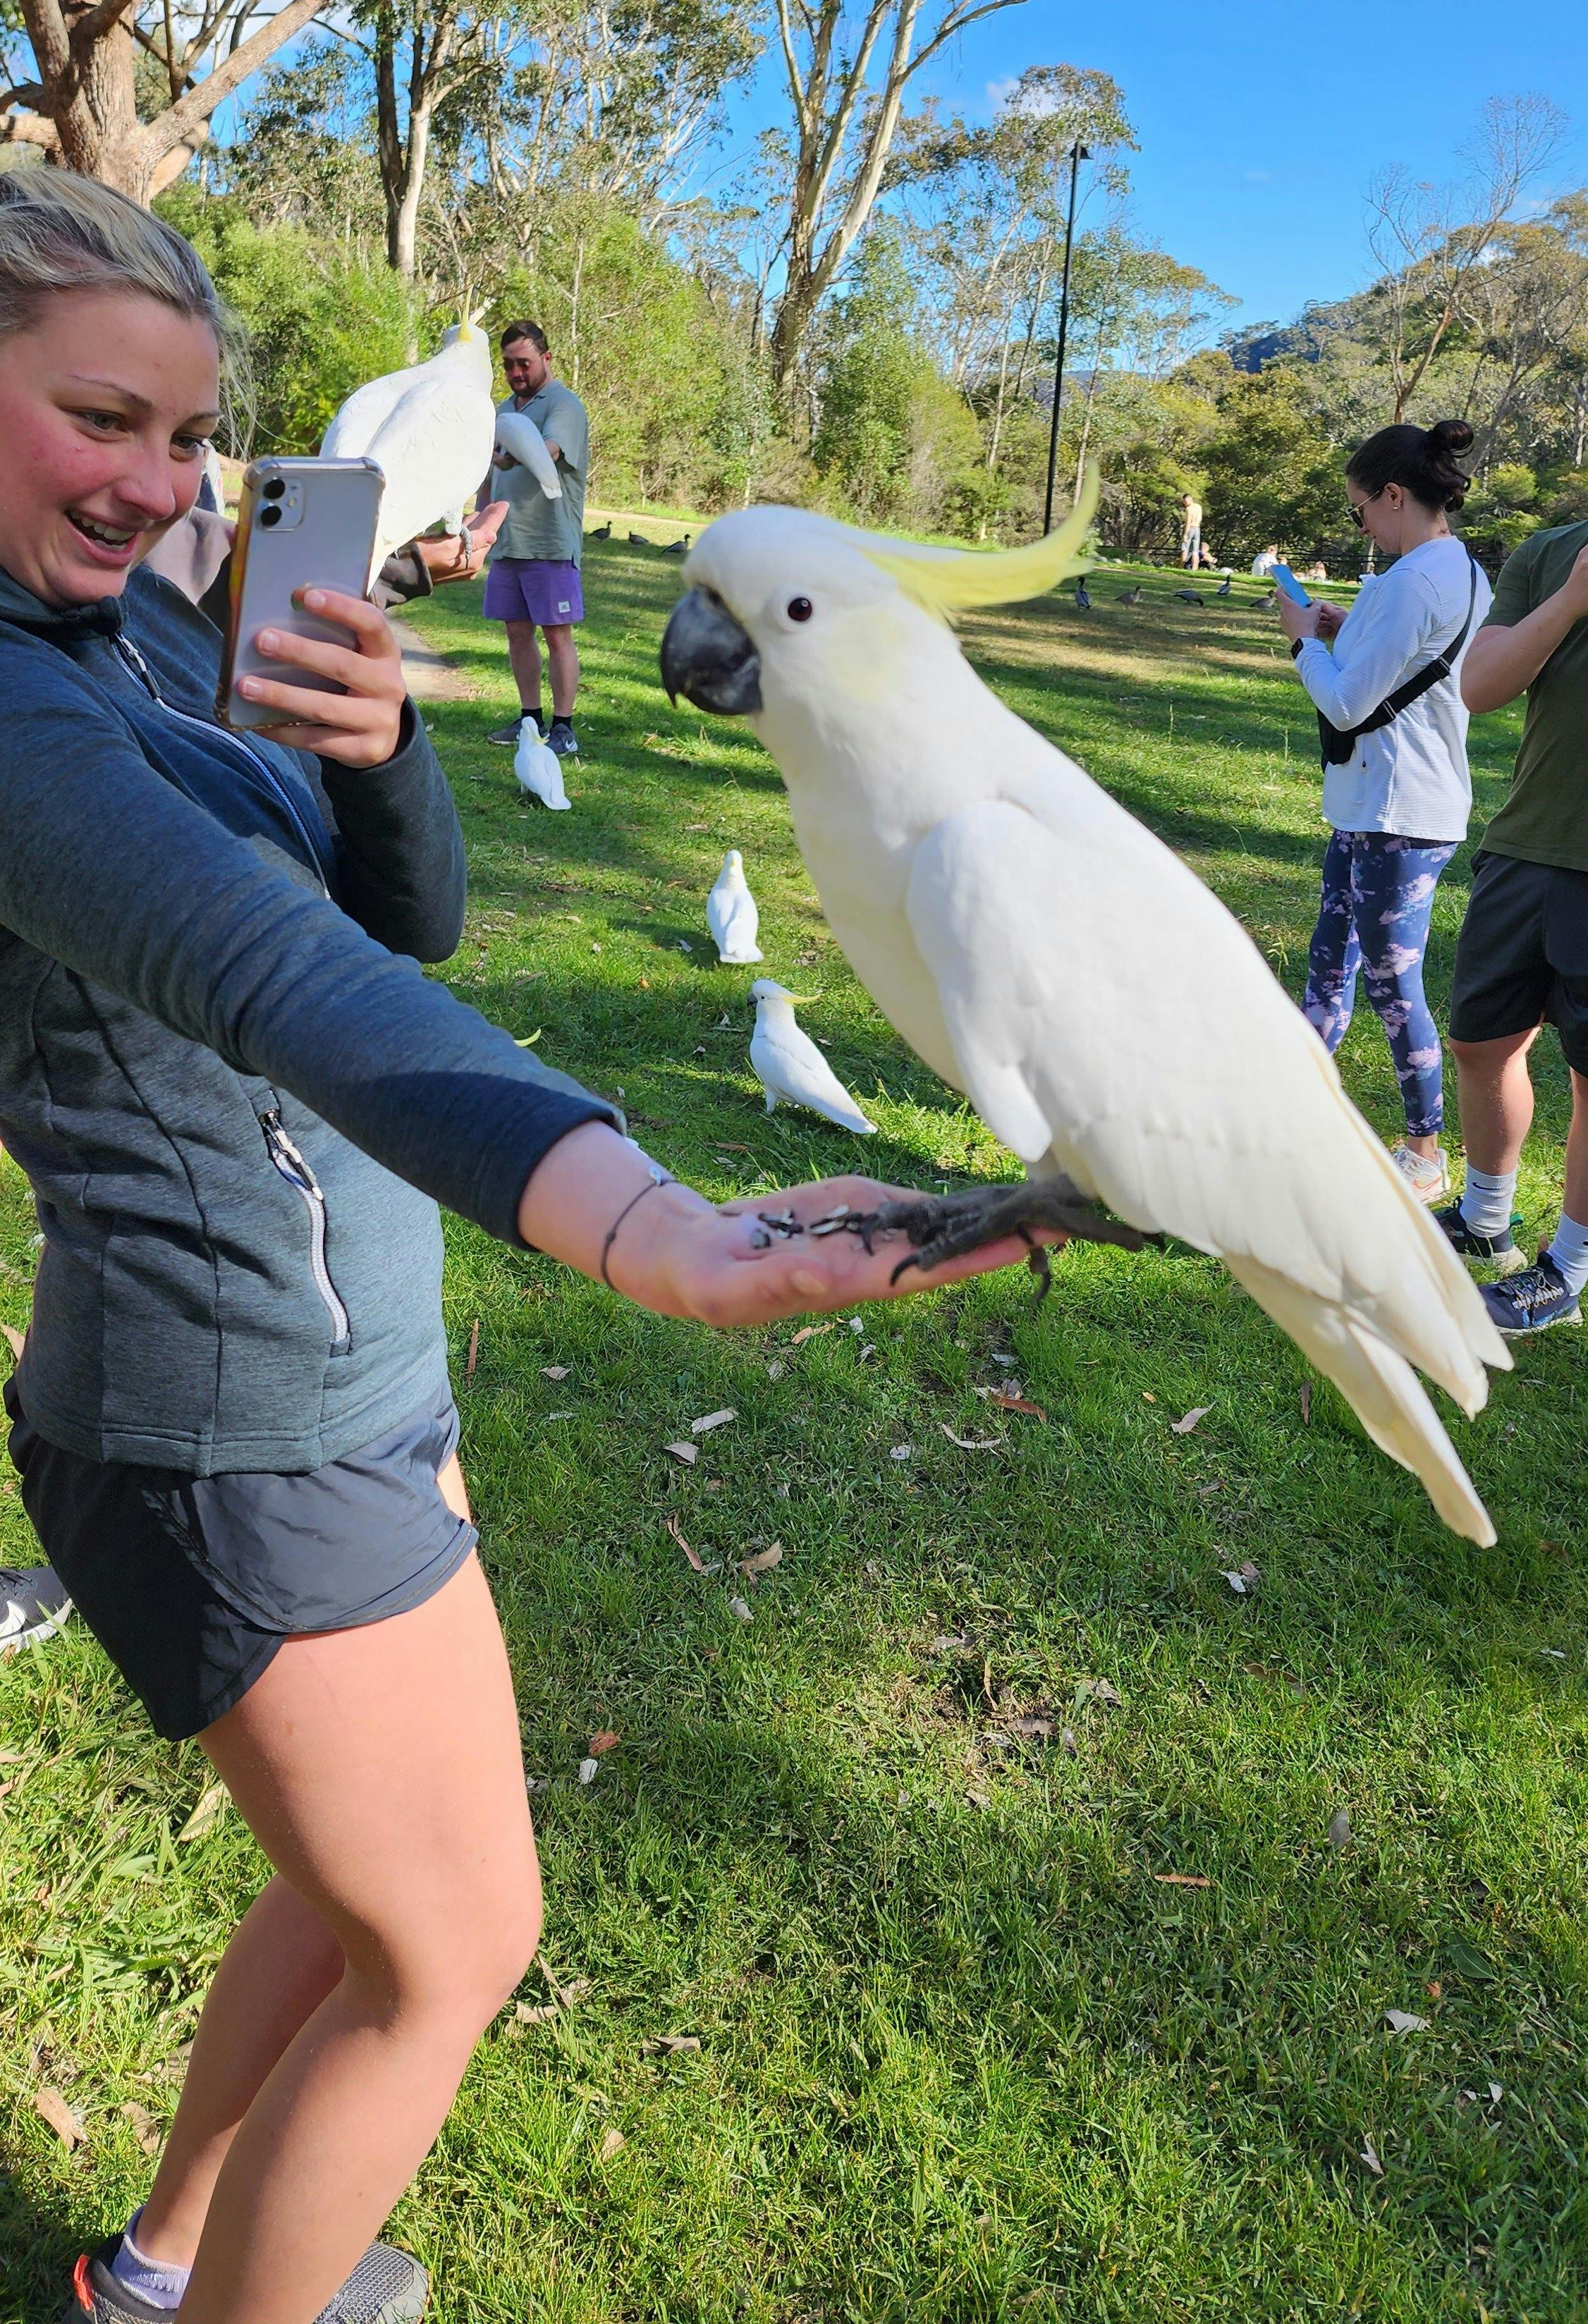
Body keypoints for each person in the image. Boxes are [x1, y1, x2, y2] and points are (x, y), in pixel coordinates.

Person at [0, 167, 1037, 2324]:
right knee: (459, 1943)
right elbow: (286, 981)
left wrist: (382, 755)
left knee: (366, 1896)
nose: (162, 482)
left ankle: (167, 2266)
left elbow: (403, 916)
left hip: (352, 1371)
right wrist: (652, 1225)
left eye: (191, 440)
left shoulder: (131, 633)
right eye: (106, 420)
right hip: (230, 1427)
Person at [1277, 419, 1489, 1204]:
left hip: (1398, 812)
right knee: (1328, 964)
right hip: (1383, 804)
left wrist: (1303, 642)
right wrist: (1340, 625)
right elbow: (1405, 661)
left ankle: (1424, 1151)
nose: (1359, 525)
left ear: (1394, 496)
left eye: (1358, 509)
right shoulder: (1457, 570)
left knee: (1389, 984)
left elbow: (1344, 699)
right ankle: (1293, 1117)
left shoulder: (1411, 581)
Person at [1434, 501, 1588, 1331]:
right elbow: (1482, 685)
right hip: (1527, 846)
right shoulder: (1549, 553)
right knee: (1480, 1042)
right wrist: (1568, 600)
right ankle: (1483, 1217)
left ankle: (1565, 1269)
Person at [482, 319, 588, 757]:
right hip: (508, 541)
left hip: (549, 541)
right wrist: (479, 521)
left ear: (546, 359)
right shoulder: (503, 409)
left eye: (524, 363)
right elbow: (486, 471)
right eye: (508, 365)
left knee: (557, 634)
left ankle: (564, 727)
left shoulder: (564, 405)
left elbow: (550, 450)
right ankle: (530, 719)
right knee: (516, 632)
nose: (516, 373)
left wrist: (513, 458)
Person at [1180, 490, 1202, 570]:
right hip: (1197, 528)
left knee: (1185, 548)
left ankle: (1182, 567)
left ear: (1190, 499)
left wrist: (1185, 534)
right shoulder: (1199, 507)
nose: (1185, 503)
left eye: (1185, 501)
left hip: (1191, 528)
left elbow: (1188, 522)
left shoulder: (1189, 509)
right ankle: (1194, 569)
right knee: (1195, 551)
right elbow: (1200, 518)